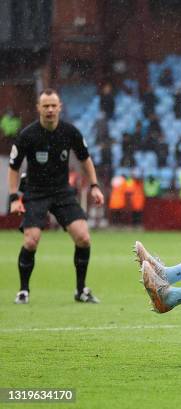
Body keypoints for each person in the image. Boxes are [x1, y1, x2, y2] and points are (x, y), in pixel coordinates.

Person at [8, 88, 105, 304]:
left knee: (84, 237)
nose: (50, 109)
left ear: (60, 107)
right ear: (38, 108)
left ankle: (81, 291)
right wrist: (15, 198)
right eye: (46, 106)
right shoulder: (27, 135)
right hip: (35, 192)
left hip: (62, 191)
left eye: (54, 105)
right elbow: (13, 167)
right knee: (31, 241)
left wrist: (95, 186)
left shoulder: (70, 132)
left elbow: (85, 159)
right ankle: (23, 291)